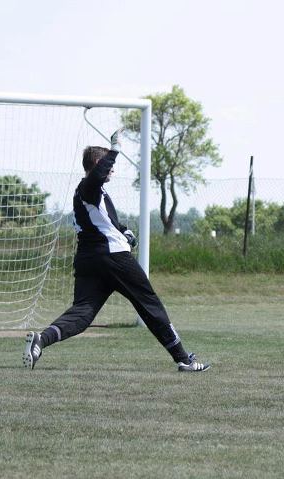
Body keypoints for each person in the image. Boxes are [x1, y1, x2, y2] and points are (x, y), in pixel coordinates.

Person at [22, 128, 210, 372]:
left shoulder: (90, 193)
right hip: (113, 259)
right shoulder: (90, 185)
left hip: (90, 260)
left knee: (82, 314)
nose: (113, 169)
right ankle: (184, 358)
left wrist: (125, 231)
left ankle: (41, 340)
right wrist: (116, 149)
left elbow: (107, 222)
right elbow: (99, 176)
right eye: (109, 164)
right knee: (149, 304)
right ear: (99, 163)